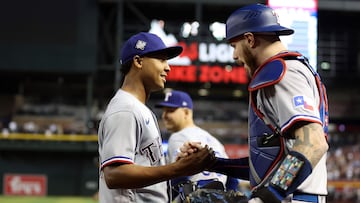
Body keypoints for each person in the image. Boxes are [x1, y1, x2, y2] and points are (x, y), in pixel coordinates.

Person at [178, 4, 329, 203]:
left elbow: (313, 143)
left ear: (249, 39)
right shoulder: (284, 71)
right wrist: (213, 163)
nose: (234, 56)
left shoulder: (284, 73)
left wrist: (270, 195)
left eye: (234, 46)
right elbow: (265, 163)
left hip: (295, 198)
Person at [97, 32, 216, 203]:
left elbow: (145, 169)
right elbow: (115, 175)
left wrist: (179, 162)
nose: (168, 67)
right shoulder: (125, 109)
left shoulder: (140, 109)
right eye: (161, 59)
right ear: (138, 61)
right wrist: (178, 168)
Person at [155, 90, 239, 201]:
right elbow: (232, 179)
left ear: (186, 113)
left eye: (170, 111)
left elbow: (178, 174)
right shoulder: (215, 141)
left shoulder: (178, 137)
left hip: (196, 196)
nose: (164, 115)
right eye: (164, 111)